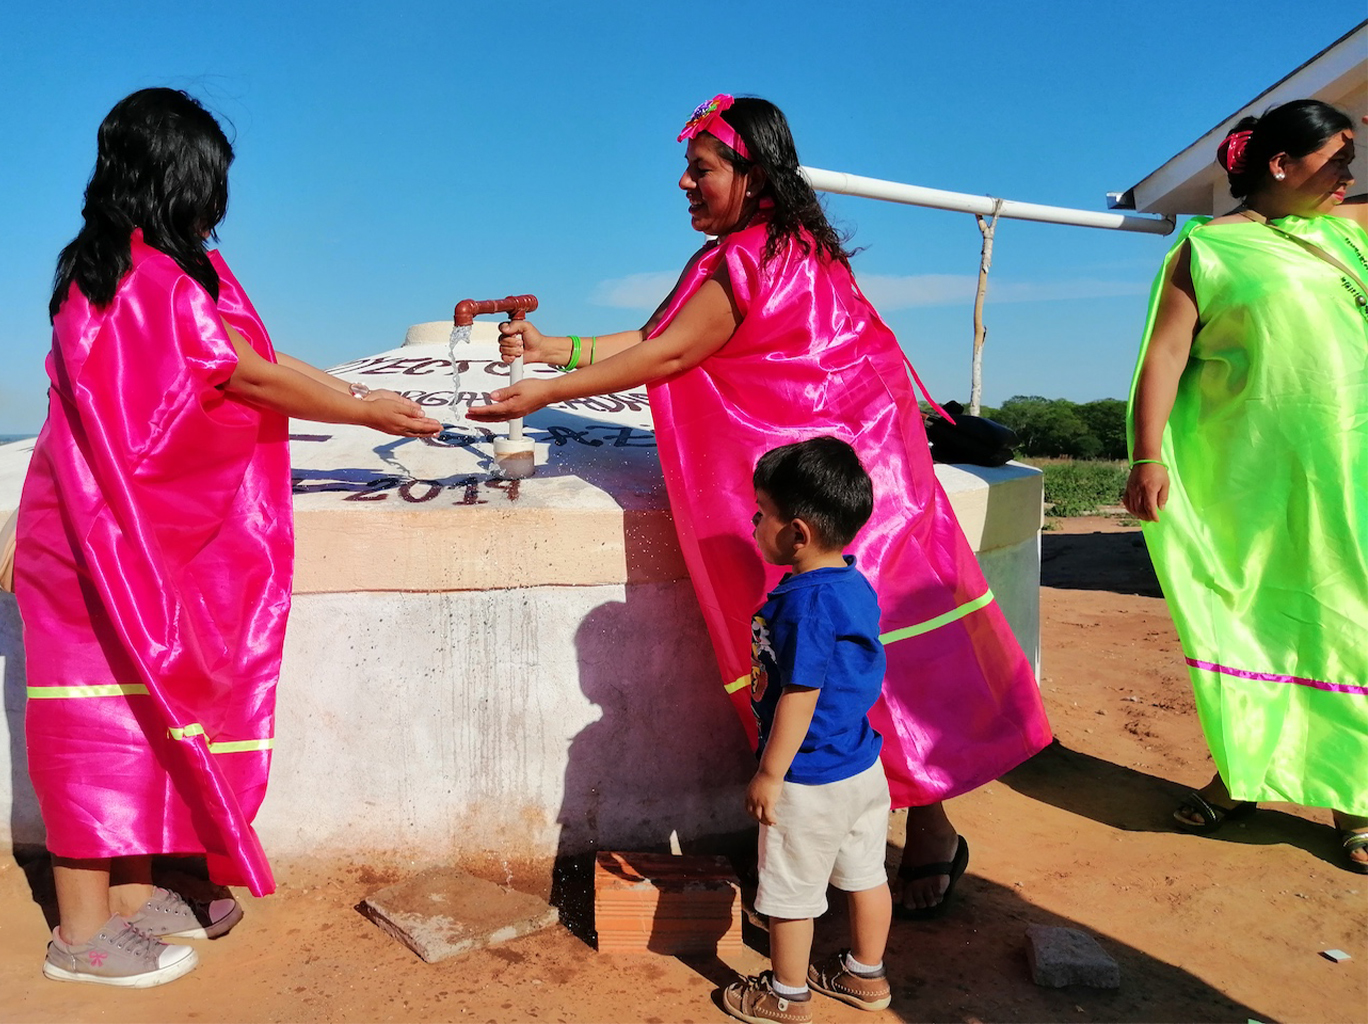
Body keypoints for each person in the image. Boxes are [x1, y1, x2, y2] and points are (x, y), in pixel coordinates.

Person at [468, 95, 1051, 915]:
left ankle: (921, 833)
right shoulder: (778, 249)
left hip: (837, 481)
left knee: (870, 660)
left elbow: (670, 350)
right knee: (867, 659)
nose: (684, 182)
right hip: (856, 473)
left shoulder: (752, 257)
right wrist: (555, 346)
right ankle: (872, 841)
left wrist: (545, 390)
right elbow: (665, 334)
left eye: (701, 169)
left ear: (752, 173)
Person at [16, 87, 441, 988]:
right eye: (209, 180)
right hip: (92, 536)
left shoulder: (177, 271)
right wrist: (363, 409)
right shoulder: (133, 278)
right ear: (173, 178)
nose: (219, 200)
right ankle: (79, 935)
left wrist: (364, 403)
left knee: (140, 708)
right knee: (93, 718)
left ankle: (130, 900)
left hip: (131, 533)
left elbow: (259, 353)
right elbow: (240, 375)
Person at [1123, 98, 1367, 873]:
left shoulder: (1347, 234)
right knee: (1253, 620)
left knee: (1350, 623)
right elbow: (1164, 357)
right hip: (1251, 481)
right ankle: (1242, 775)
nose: (1351, 175)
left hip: (1351, 475)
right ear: (1280, 164)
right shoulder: (1210, 252)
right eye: (1337, 160)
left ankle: (1356, 796)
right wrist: (1146, 456)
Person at [721, 436, 891, 1023]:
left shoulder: (804, 604)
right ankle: (865, 976)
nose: (752, 522)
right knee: (867, 875)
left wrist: (771, 772)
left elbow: (801, 691)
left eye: (760, 513)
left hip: (808, 776)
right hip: (861, 766)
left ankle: (786, 994)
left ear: (796, 533)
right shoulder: (850, 582)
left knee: (791, 892)